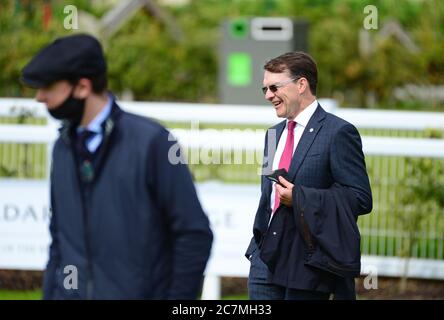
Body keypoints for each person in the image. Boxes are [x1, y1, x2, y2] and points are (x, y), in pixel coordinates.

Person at [21, 34, 213, 299]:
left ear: (83, 87)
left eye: (48, 87)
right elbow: (60, 239)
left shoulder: (154, 142)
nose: (40, 98)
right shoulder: (62, 147)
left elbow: (194, 235)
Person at [245, 52, 372, 300]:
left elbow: (360, 199)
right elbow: (267, 198)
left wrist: (300, 198)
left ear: (301, 84)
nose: (268, 95)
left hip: (307, 264)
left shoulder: (338, 132)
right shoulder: (273, 134)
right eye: (265, 89)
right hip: (264, 260)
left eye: (274, 87)